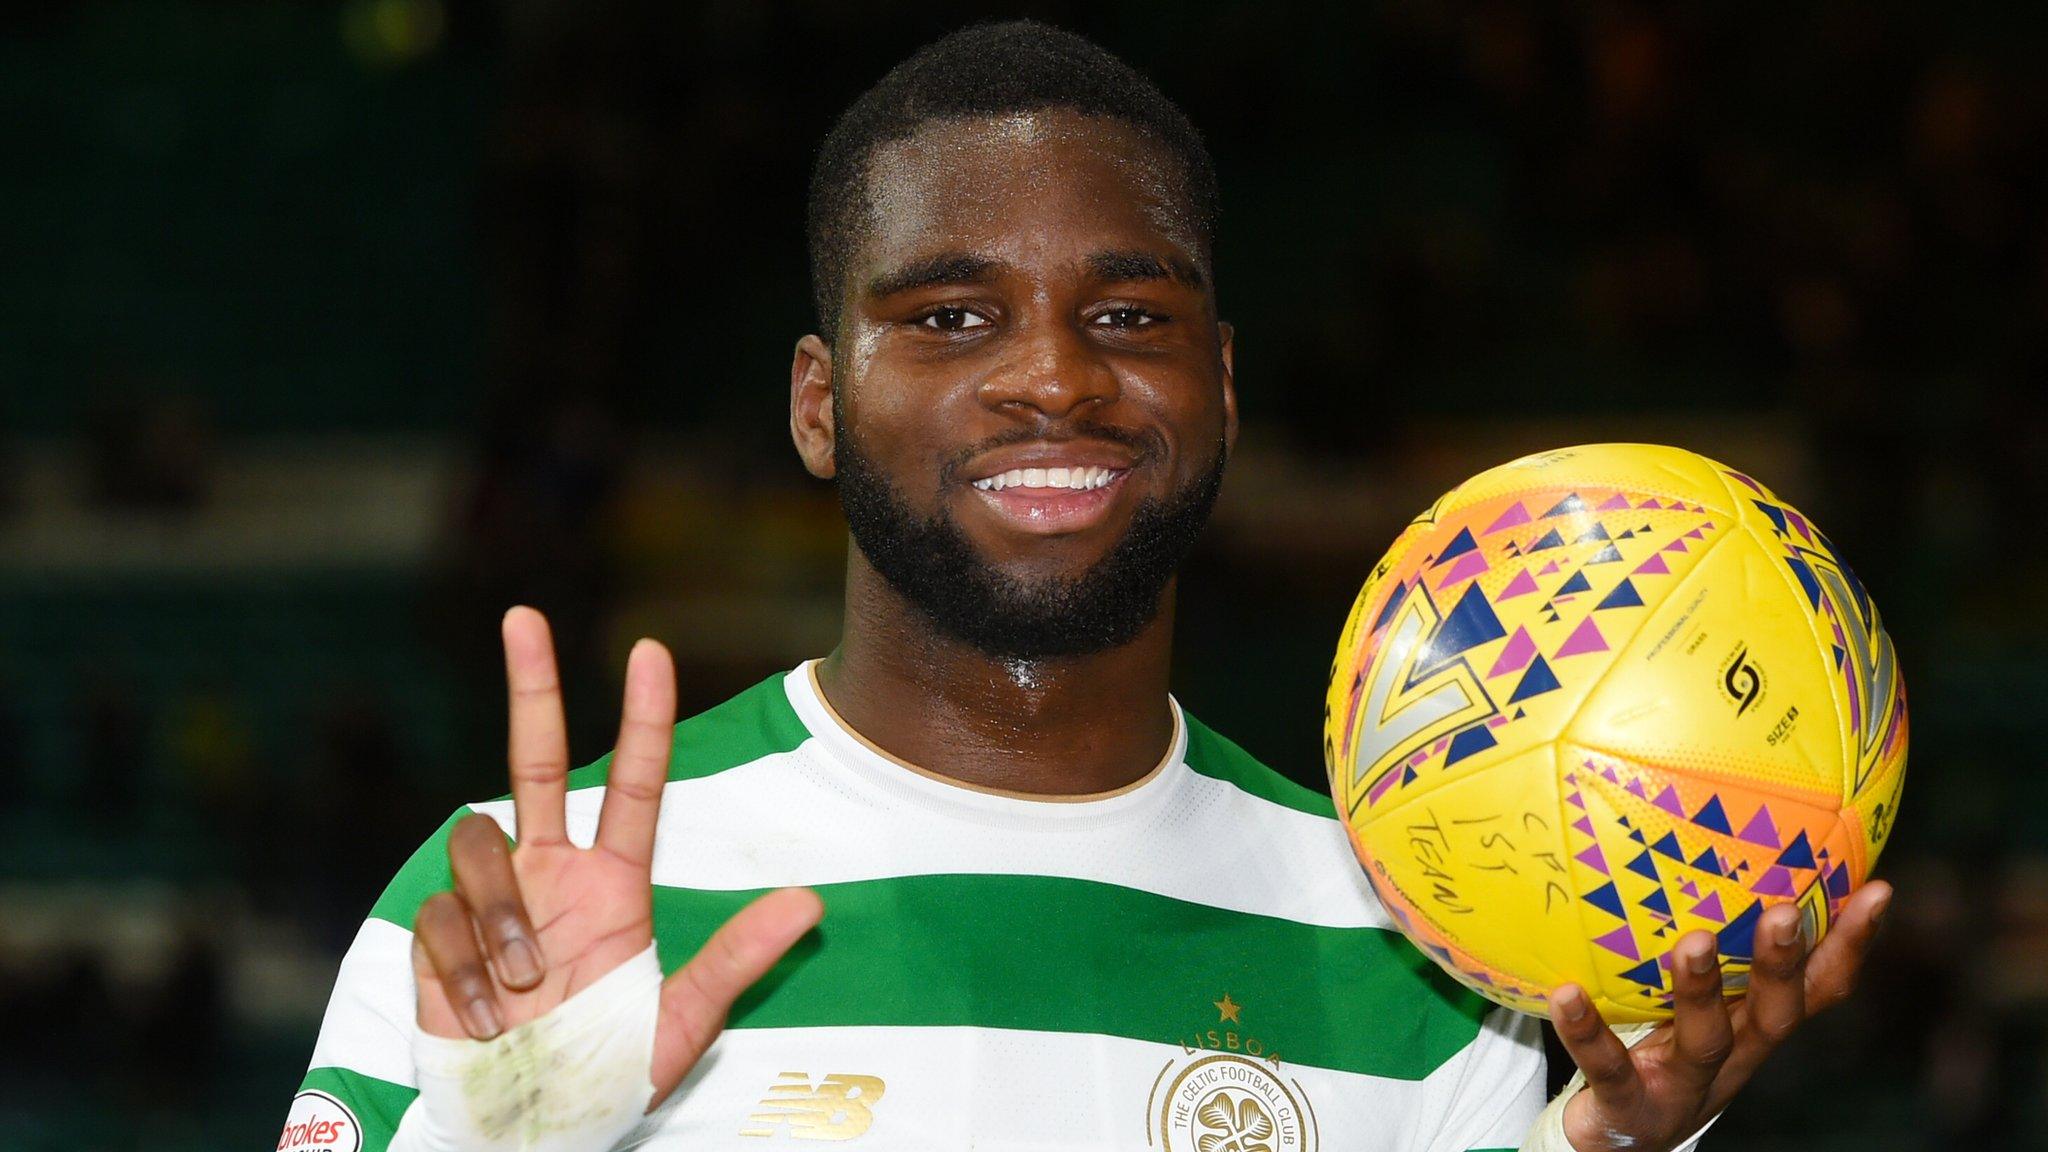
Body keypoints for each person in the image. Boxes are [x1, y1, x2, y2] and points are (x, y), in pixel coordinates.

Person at [283, 21, 1890, 1152]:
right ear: (816, 402)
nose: (1054, 379)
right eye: (948, 319)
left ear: (1226, 385)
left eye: (1129, 318)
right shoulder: (513, 912)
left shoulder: (1417, 941)